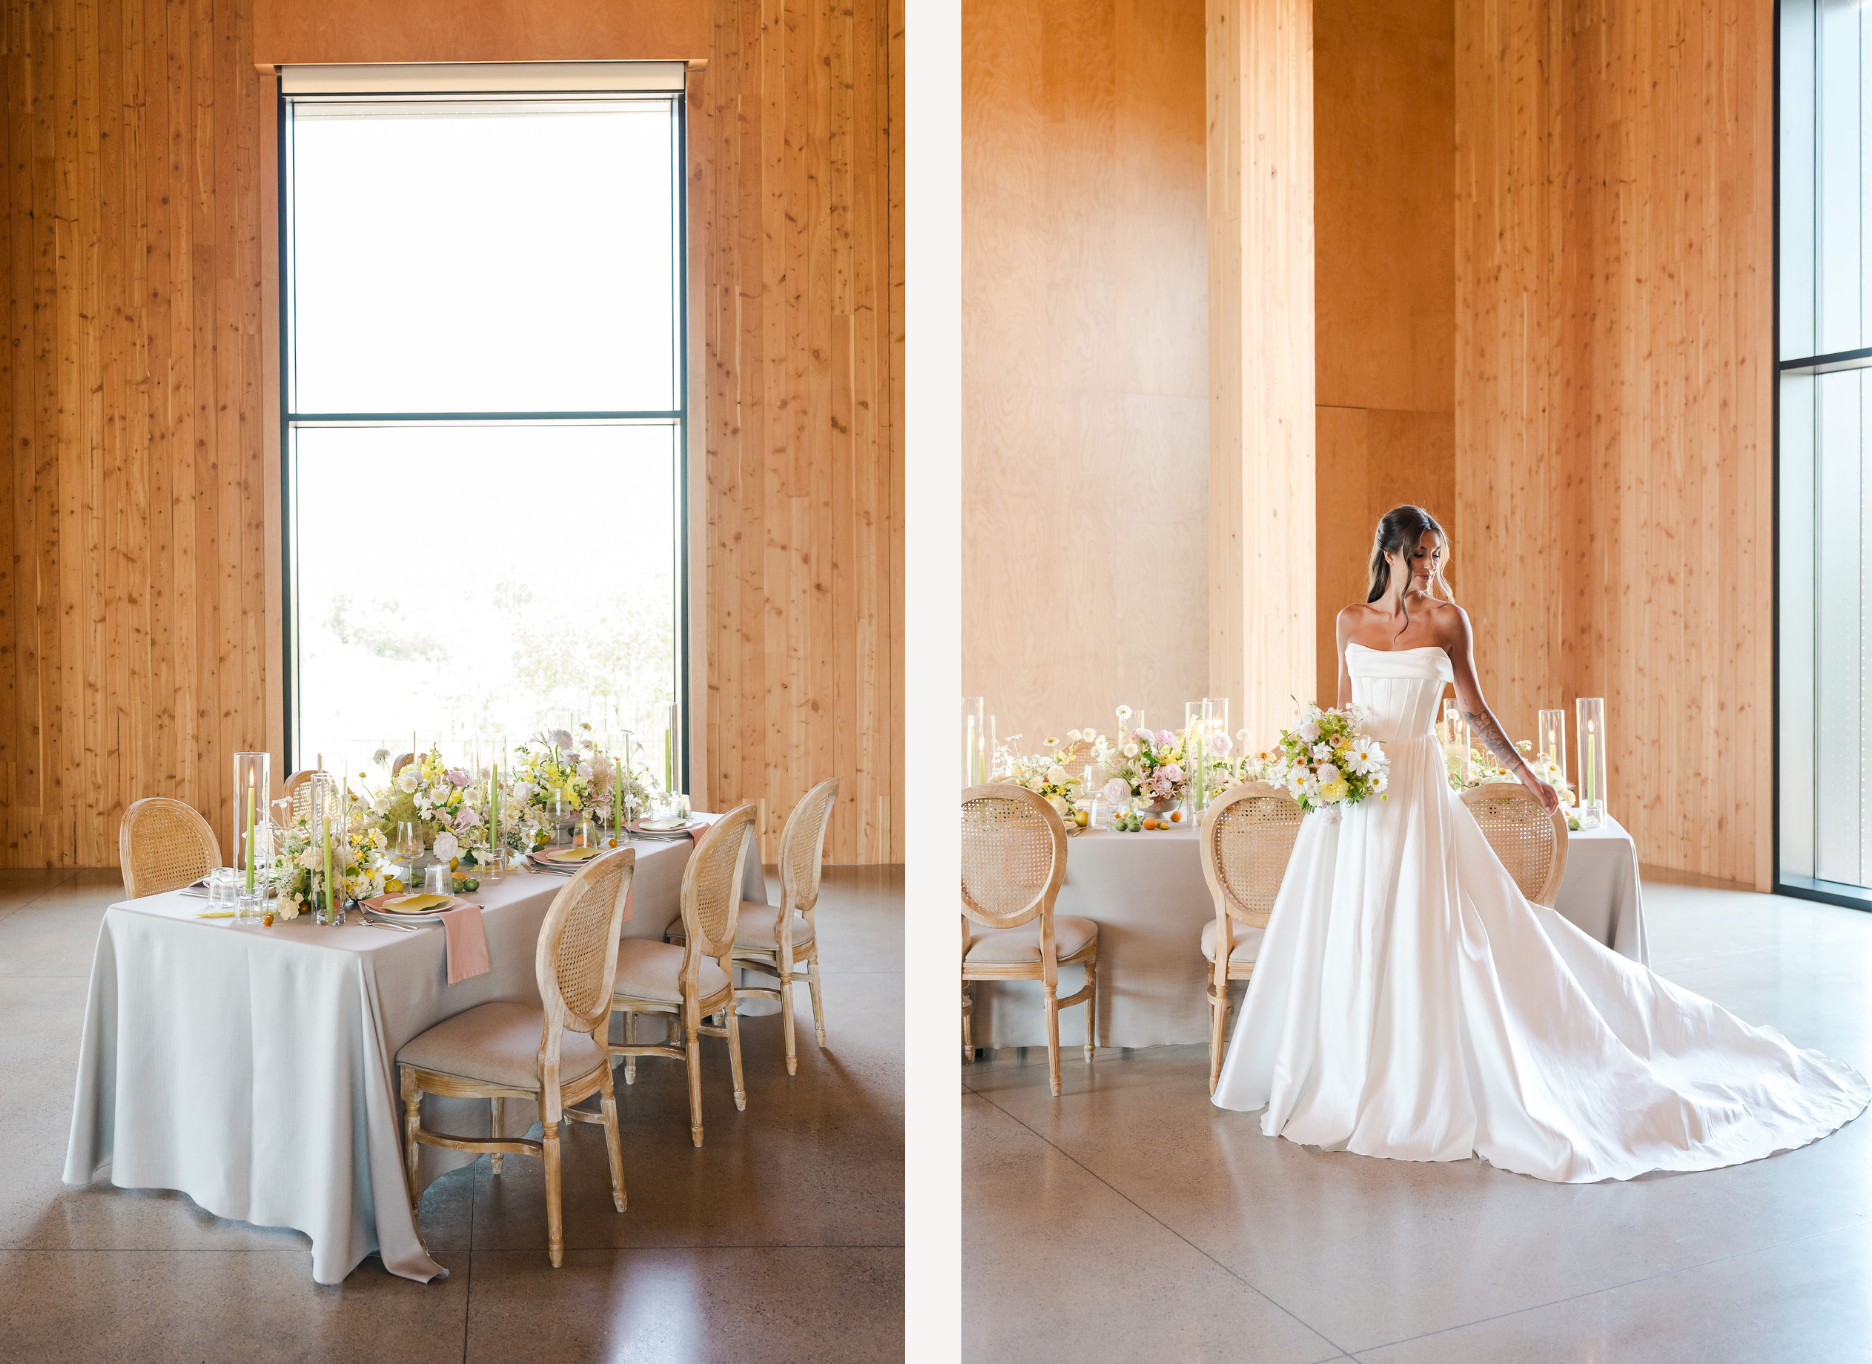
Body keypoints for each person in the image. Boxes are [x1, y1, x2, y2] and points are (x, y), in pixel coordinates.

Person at [1210, 505, 1868, 1181]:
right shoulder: (1350, 621)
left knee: (1433, 931)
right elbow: (1342, 715)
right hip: (1357, 802)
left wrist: (1526, 775)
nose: (1432, 568)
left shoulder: (1447, 622)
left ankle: (1423, 1081)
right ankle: (1347, 1075)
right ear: (1389, 554)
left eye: (1437, 556)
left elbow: (1473, 709)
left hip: (1416, 794)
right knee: (1351, 931)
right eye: (1420, 556)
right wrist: (1325, 767)